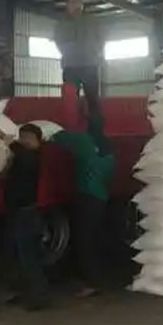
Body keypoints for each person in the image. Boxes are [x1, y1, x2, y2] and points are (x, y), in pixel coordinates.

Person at [51, 112, 114, 296]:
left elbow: (56, 137)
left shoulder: (83, 141)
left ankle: (91, 282)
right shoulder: (108, 146)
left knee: (84, 242)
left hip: (86, 196)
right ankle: (95, 278)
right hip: (101, 196)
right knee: (94, 239)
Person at [0, 123, 50, 310]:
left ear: (38, 141)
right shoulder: (21, 156)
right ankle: (23, 293)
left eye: (29, 138)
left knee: (29, 258)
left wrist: (6, 139)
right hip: (16, 212)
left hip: (27, 214)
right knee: (15, 255)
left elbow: (23, 155)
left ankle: (39, 299)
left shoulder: (33, 157)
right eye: (22, 137)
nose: (25, 141)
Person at [53, 0, 103, 117]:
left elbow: (101, 39)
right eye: (73, 3)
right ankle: (73, 125)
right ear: (67, 6)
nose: (76, 5)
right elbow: (58, 41)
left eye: (78, 2)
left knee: (93, 99)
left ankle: (95, 126)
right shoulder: (61, 24)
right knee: (70, 100)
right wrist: (68, 54)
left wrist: (94, 52)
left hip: (90, 65)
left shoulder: (92, 21)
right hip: (70, 67)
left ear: (82, 4)